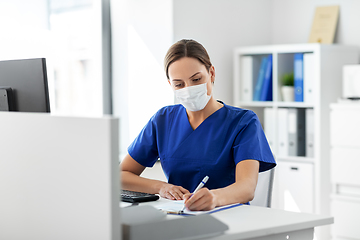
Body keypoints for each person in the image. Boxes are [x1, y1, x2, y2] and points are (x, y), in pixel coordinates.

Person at [120, 39, 276, 211]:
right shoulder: (163, 120)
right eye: (179, 84)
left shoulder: (243, 122)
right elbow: (121, 175)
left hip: (231, 217)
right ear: (170, 85)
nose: (189, 89)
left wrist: (215, 198)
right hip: (179, 216)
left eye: (196, 79)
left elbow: (247, 188)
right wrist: (161, 187)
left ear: (212, 73)